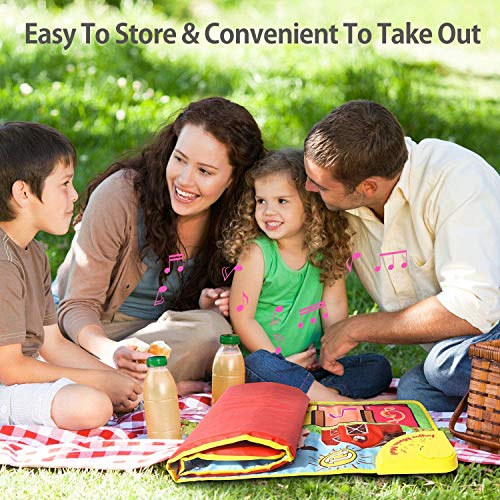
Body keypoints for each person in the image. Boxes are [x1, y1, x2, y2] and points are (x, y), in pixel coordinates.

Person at [54, 97, 264, 394]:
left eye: (205, 171)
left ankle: (122, 387)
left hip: (157, 342)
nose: (184, 180)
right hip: (88, 334)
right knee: (51, 358)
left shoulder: (242, 220)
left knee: (214, 331)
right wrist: (110, 353)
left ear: (233, 179)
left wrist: (213, 303)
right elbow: (76, 306)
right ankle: (147, 386)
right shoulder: (121, 196)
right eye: (179, 159)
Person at [303, 100, 500, 411]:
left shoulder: (457, 180)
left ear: (368, 186)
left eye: (321, 186)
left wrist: (358, 327)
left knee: (443, 366)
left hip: (488, 323)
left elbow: (474, 308)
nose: (308, 188)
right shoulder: (351, 199)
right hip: (467, 344)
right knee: (416, 391)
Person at [0, 122, 142, 430]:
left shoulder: (33, 252)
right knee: (92, 404)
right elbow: (10, 368)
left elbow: (52, 343)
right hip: (6, 377)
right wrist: (99, 381)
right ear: (23, 193)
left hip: (19, 371)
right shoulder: (3, 263)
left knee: (103, 391)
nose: (74, 195)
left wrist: (112, 377)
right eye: (64, 184)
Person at [222, 149, 392, 401]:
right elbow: (243, 319)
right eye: (261, 201)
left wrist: (331, 355)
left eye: (282, 201)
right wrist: (282, 363)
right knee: (258, 364)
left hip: (310, 366)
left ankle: (320, 394)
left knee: (378, 367)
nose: (268, 211)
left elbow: (333, 307)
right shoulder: (256, 253)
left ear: (311, 206)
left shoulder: (327, 251)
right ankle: (331, 401)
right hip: (268, 366)